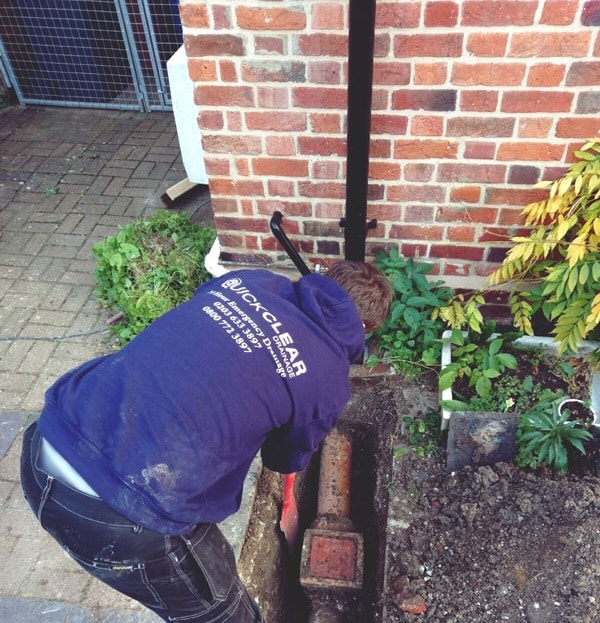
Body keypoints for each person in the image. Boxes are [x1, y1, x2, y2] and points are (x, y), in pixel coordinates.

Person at [20, 259, 393, 623]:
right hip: (125, 508)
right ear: (363, 325)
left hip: (48, 441)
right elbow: (283, 459)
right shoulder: (328, 377)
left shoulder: (248, 282)